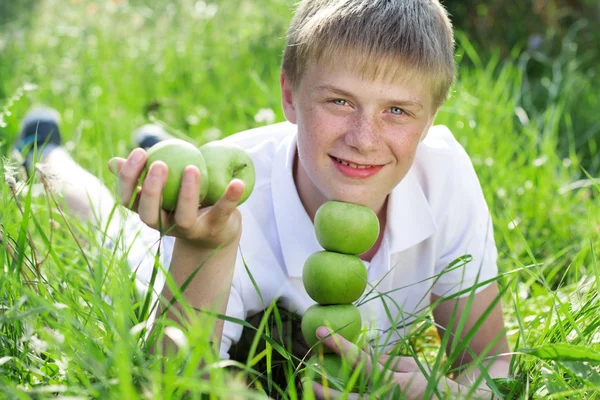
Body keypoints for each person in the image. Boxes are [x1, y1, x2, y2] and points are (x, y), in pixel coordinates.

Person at [13, 0, 511, 397]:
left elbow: (491, 364)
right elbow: (176, 382)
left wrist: (453, 394)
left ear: (430, 120)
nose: (363, 137)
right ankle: (47, 152)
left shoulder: (443, 176)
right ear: (290, 96)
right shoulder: (234, 205)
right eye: (339, 101)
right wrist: (205, 249)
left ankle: (163, 144)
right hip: (202, 222)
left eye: (398, 111)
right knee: (109, 231)